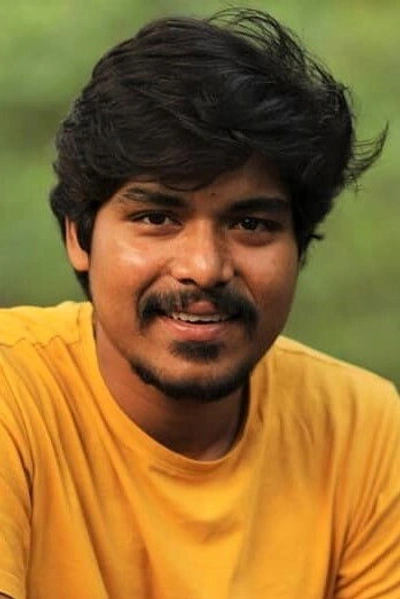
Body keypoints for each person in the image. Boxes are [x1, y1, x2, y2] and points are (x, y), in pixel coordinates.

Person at [0, 7, 399, 599]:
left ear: (299, 247)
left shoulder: (361, 426)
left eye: (251, 223)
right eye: (156, 217)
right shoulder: (14, 390)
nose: (205, 268)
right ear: (78, 237)